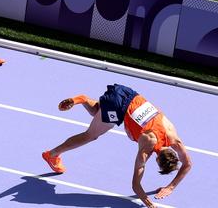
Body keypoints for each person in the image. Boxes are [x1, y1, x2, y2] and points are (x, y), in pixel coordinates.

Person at [42, 84, 192, 208]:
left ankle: (83, 99)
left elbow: (187, 164)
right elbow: (135, 185)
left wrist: (170, 187)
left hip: (127, 93)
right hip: (118, 108)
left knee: (99, 114)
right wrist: (149, 204)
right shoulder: (146, 148)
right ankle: (52, 154)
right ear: (157, 160)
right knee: (91, 135)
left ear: (173, 151)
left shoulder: (172, 134)